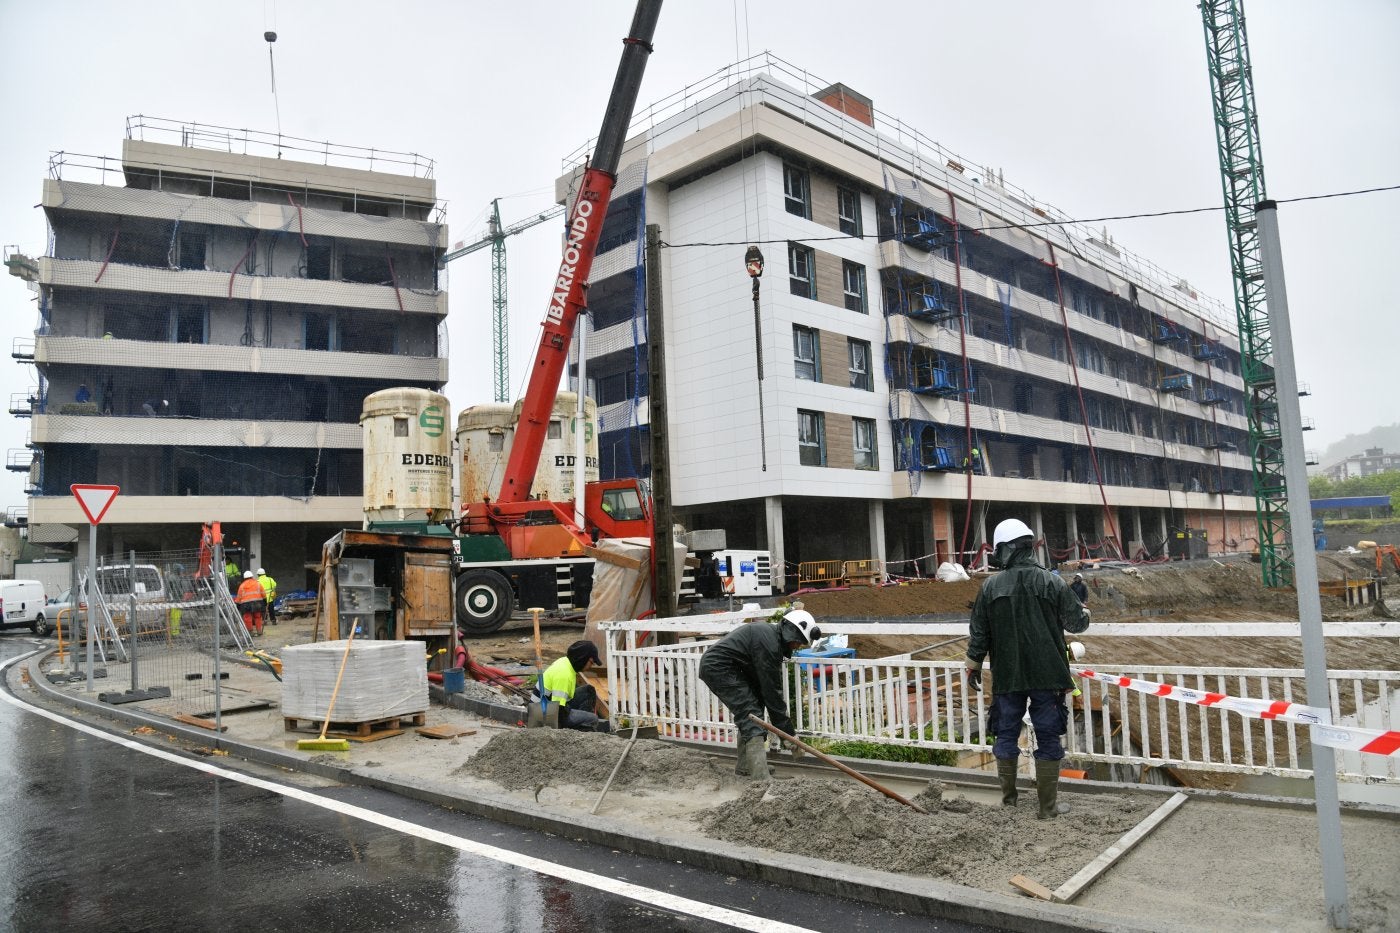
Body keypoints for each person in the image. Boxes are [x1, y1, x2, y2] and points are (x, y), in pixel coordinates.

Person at [966, 518, 1090, 819]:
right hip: (1048, 674)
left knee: (1005, 734)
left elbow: (979, 633)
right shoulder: (1052, 581)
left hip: (1008, 675)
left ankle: (1009, 804)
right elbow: (1078, 624)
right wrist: (1083, 605)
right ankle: (1047, 809)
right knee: (1048, 737)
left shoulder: (990, 586)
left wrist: (973, 666)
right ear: (1028, 545)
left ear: (1006, 549)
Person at [698, 609, 822, 779]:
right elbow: (772, 694)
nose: (797, 646)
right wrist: (789, 735)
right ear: (790, 633)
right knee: (751, 713)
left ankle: (746, 766)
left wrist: (787, 733)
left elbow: (767, 693)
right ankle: (760, 778)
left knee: (753, 709)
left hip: (731, 668)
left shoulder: (771, 638)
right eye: (797, 642)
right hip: (720, 668)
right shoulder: (769, 643)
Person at [535, 640, 610, 732]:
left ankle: (586, 728)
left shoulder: (565, 662)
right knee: (592, 719)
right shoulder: (564, 675)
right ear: (583, 658)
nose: (591, 666)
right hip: (542, 716)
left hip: (551, 707)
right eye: (591, 662)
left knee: (588, 691)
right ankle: (581, 734)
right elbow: (557, 712)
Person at [234, 570, 266, 635]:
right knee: (258, 617)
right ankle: (259, 631)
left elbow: (239, 597)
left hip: (246, 604)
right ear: (252, 577)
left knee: (247, 618)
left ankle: (250, 632)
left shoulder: (242, 586)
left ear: (244, 578)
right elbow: (263, 593)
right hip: (257, 603)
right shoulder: (258, 583)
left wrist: (237, 604)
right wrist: (265, 601)